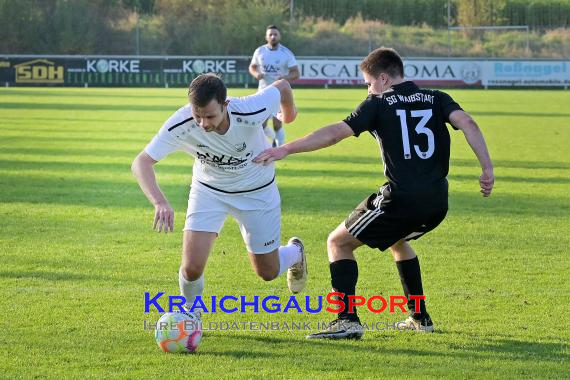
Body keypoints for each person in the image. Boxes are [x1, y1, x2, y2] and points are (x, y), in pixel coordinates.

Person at [254, 47, 494, 339]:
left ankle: (347, 320)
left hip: (401, 199)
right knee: (398, 241)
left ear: (383, 79)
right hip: (437, 201)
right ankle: (420, 317)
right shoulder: (437, 97)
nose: (368, 88)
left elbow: (333, 133)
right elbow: (468, 122)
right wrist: (486, 169)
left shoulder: (378, 102)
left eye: (368, 83)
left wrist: (286, 148)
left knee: (337, 243)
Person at [131, 73, 308, 322]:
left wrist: (287, 114)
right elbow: (142, 162)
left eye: (210, 116)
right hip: (209, 192)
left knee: (267, 272)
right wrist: (159, 201)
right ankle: (191, 315)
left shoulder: (251, 109)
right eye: (197, 115)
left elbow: (283, 86)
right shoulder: (181, 122)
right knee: (191, 267)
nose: (203, 124)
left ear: (226, 105)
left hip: (257, 193)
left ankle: (294, 252)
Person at [249, 25, 300, 147]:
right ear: (266, 37)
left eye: (275, 34)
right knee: (261, 123)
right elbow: (252, 67)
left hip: (279, 92)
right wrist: (256, 74)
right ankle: (273, 141)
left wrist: (284, 77)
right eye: (270, 34)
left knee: (278, 123)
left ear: (279, 36)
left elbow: (296, 73)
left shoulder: (286, 53)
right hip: (262, 92)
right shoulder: (259, 51)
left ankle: (280, 147)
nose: (273, 36)